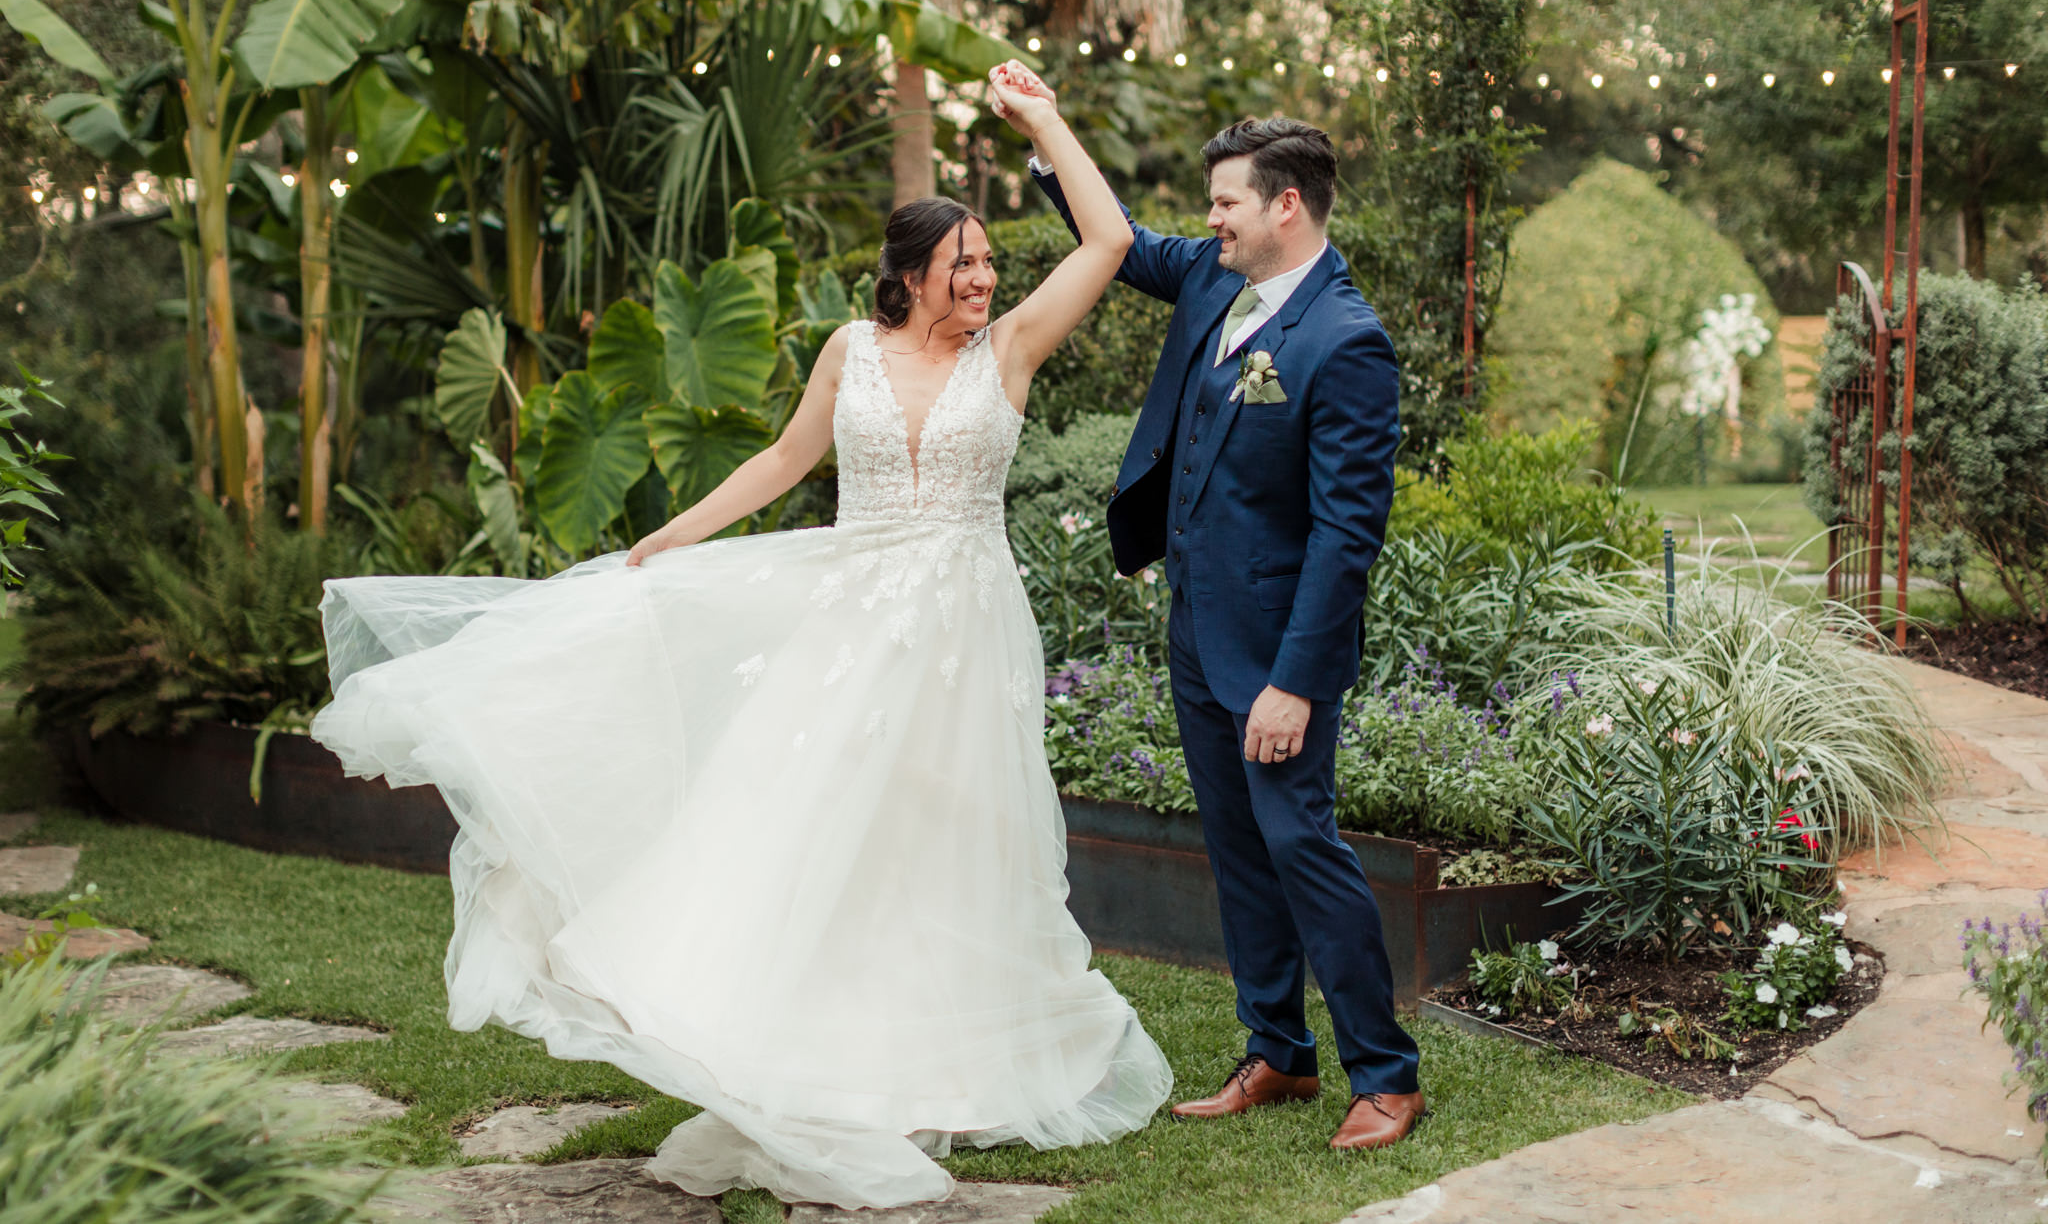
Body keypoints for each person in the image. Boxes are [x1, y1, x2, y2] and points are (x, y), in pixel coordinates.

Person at [308, 62, 1172, 1211]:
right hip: (847, 624)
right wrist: (670, 534)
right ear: (909, 276)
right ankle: (796, 1053)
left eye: (986, 264)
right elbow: (781, 462)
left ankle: (932, 1066)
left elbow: (1106, 242)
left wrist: (1044, 118)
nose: (984, 277)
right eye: (962, 263)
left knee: (941, 842)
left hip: (965, 639)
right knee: (809, 828)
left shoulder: (1005, 351)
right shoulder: (847, 354)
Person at [1022, 80, 1425, 1151]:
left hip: (1277, 652)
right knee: (1238, 850)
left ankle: (1382, 1074)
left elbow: (1347, 537)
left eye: (1226, 204)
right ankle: (1277, 1054)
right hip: (1195, 633)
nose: (1209, 221)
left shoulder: (1346, 343)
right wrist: (1045, 128)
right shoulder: (1212, 280)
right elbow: (1116, 239)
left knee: (1301, 845)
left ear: (1284, 205)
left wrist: (1294, 680)